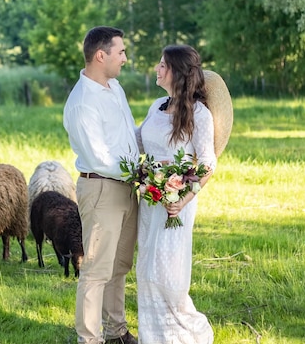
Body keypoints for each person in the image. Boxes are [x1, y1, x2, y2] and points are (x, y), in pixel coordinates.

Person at [63, 26, 140, 344]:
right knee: (95, 270)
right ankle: (89, 339)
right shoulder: (82, 103)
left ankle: (116, 332)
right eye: (120, 51)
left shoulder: (115, 87)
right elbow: (99, 157)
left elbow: (127, 136)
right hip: (102, 190)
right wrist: (143, 170)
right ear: (101, 55)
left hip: (126, 187)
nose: (125, 58)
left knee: (119, 265)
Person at [136, 44, 217, 343]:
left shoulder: (199, 114)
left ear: (177, 72)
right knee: (146, 269)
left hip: (177, 204)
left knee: (169, 274)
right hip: (150, 201)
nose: (157, 69)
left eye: (162, 65)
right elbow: (139, 142)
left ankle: (185, 334)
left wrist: (183, 199)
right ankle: (153, 337)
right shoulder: (156, 105)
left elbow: (208, 164)